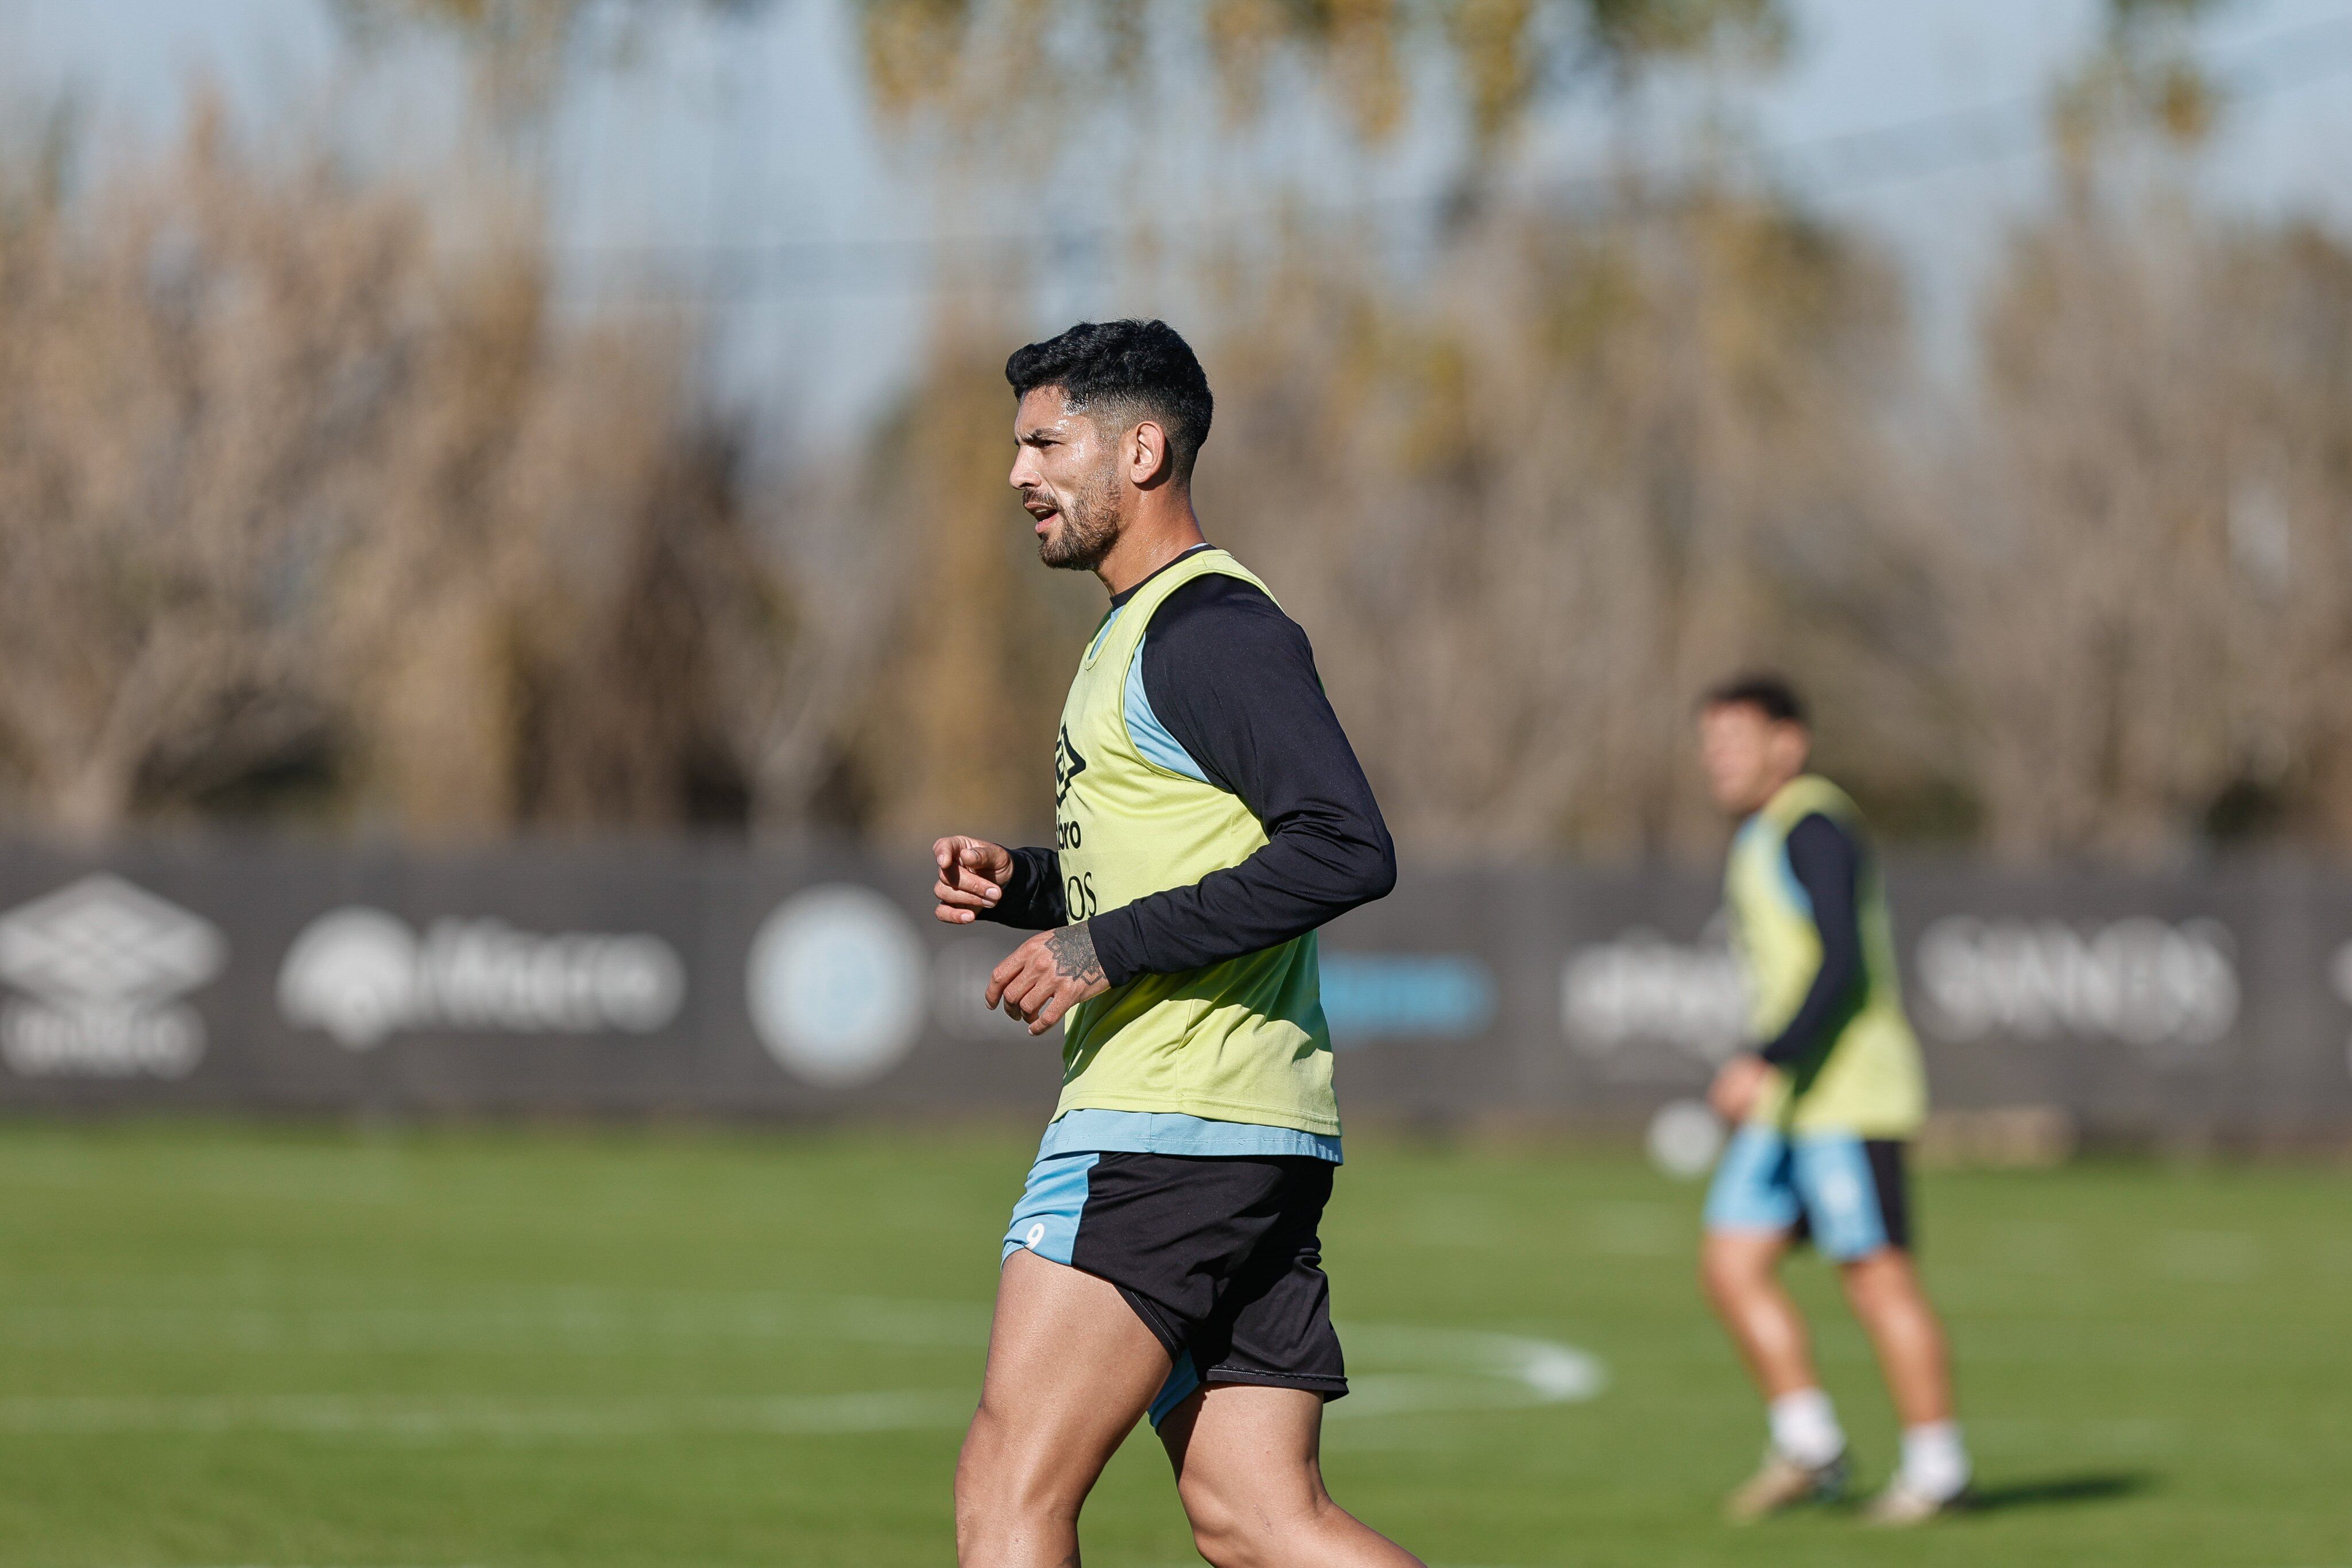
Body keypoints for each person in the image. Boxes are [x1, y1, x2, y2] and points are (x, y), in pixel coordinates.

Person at [933, 319, 1418, 1568]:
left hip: (1162, 1127)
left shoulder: (1206, 629)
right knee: (1257, 1519)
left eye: (1046, 442)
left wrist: (1100, 948)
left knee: (1006, 1496)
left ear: (1140, 450)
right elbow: (1193, 859)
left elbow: (1343, 846)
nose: (1017, 474)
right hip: (1243, 1127)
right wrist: (1031, 886)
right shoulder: (1139, 628)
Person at [1693, 674, 1972, 1525]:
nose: (1720, 760)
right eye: (1711, 745)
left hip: (1845, 1095)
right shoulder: (1763, 832)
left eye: (1737, 741)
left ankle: (1938, 1468)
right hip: (1793, 1101)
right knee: (1732, 1262)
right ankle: (1810, 1445)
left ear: (1790, 741)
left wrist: (1762, 1057)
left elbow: (1841, 960)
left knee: (1877, 1280)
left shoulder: (1814, 823)